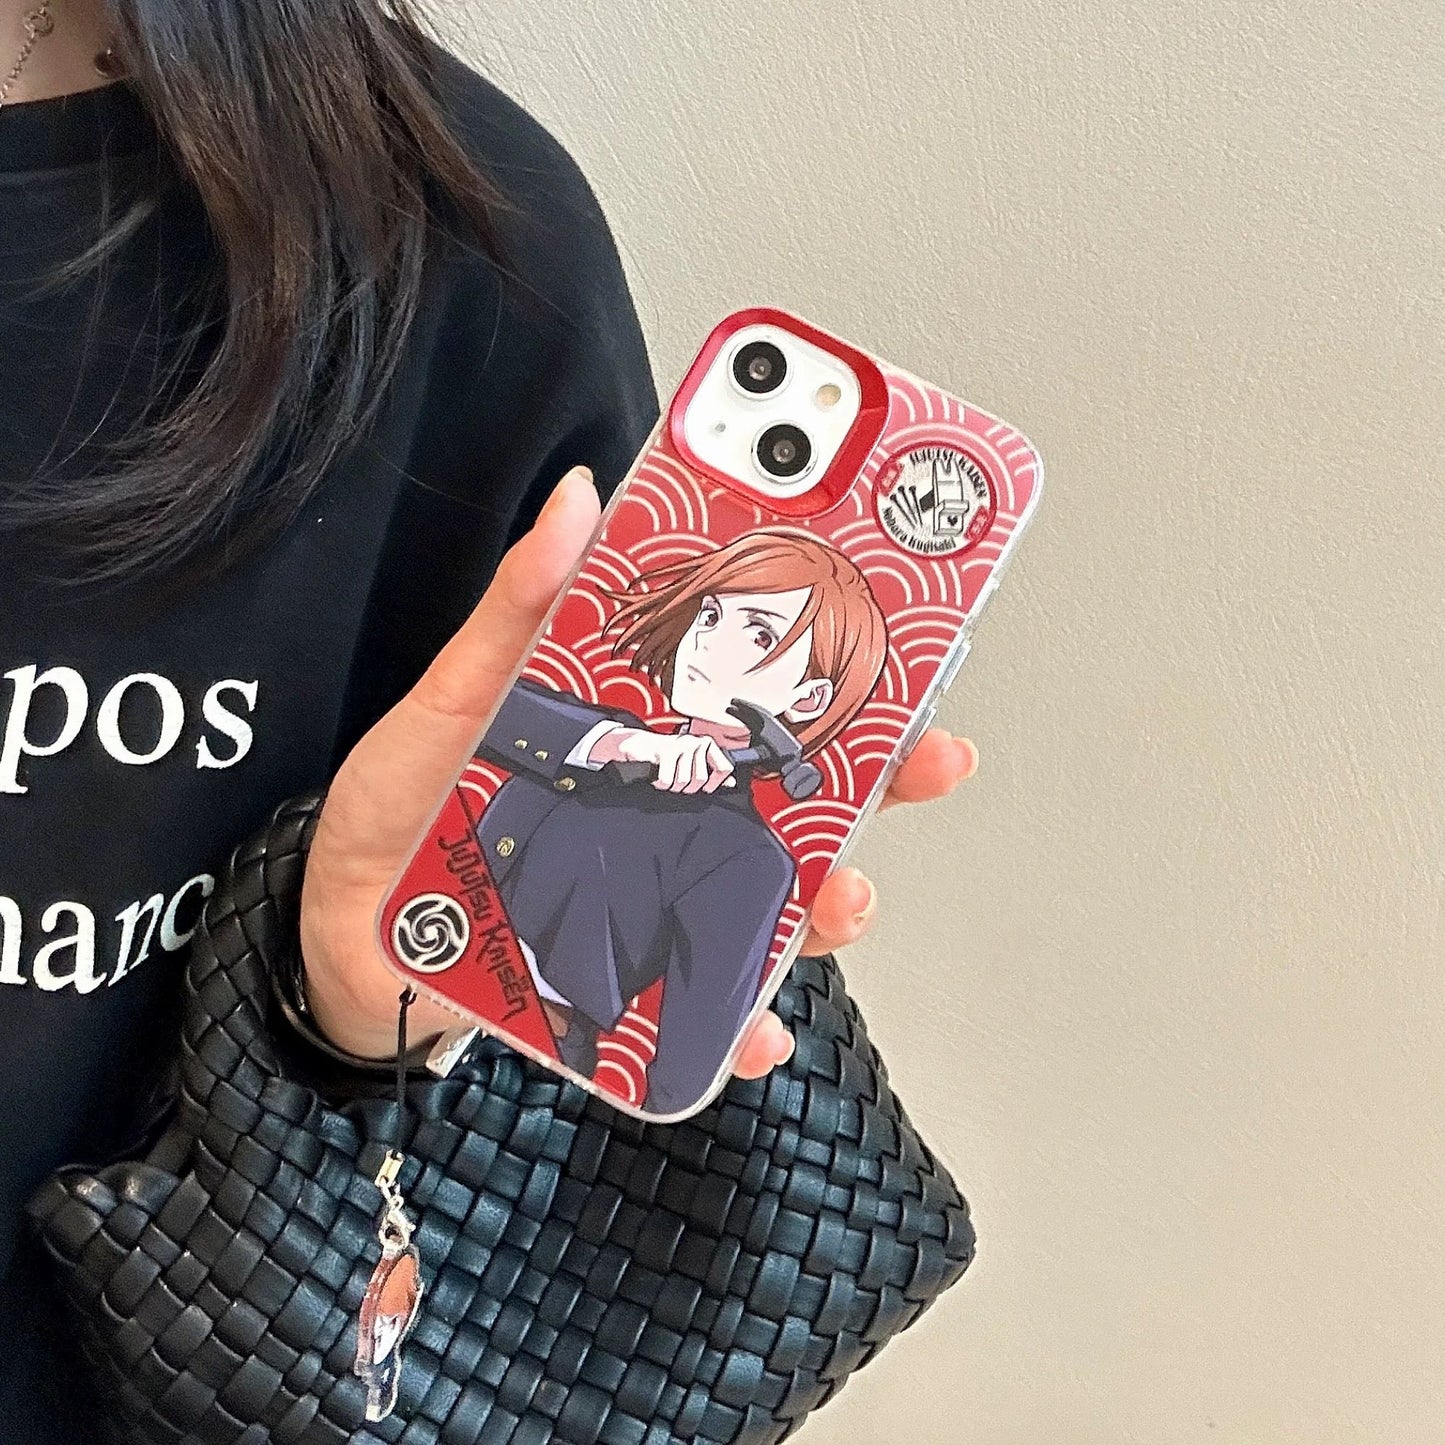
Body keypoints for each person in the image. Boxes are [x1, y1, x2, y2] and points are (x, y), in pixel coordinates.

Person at [0, 3, 979, 1439]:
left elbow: (494, 1137)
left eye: (780, 652)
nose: (745, 656)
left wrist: (350, 1021)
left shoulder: (456, 253)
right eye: (740, 628)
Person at [472, 530, 891, 1115]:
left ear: (808, 699)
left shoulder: (747, 857)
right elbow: (480, 706)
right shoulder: (601, 737)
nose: (708, 641)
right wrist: (622, 745)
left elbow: (684, 1073)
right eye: (711, 614)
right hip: (421, 943)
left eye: (760, 634)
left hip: (520, 1060)